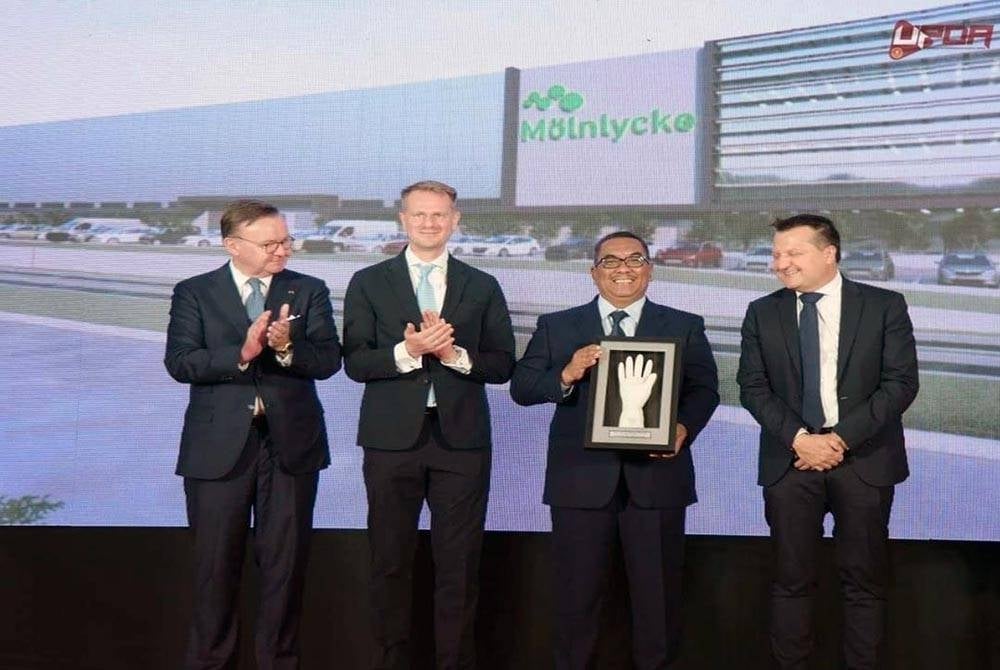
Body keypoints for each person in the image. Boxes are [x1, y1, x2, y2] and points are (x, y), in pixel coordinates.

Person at [510, 231, 719, 670]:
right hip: (579, 482)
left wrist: (683, 427)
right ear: (594, 272)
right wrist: (566, 374)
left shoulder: (684, 325)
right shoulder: (558, 326)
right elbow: (523, 387)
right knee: (575, 599)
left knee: (658, 601)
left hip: (657, 481)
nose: (623, 269)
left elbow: (704, 390)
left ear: (649, 270)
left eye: (635, 259)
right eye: (611, 261)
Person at [342, 180, 515, 669]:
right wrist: (409, 351)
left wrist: (453, 354)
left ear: (455, 220)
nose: (429, 223)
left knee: (459, 565)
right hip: (389, 442)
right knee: (389, 560)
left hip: (461, 443)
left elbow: (503, 364)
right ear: (403, 219)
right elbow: (355, 362)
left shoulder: (482, 285)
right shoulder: (368, 282)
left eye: (439, 215)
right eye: (419, 214)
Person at [164, 199, 341, 670]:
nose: (283, 250)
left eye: (286, 241)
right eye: (270, 244)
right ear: (232, 245)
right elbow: (180, 362)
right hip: (217, 450)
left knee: (285, 570)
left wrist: (287, 349)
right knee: (214, 570)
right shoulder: (194, 292)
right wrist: (240, 354)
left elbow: (328, 360)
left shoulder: (309, 290)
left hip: (291, 449)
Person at [737, 214, 919, 669]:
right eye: (776, 254)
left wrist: (838, 439)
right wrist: (800, 439)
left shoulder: (884, 305)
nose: (781, 263)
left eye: (793, 253)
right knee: (790, 581)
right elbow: (752, 387)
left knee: (864, 582)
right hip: (790, 462)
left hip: (864, 463)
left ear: (829, 253)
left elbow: (900, 384)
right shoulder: (762, 311)